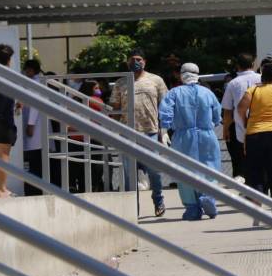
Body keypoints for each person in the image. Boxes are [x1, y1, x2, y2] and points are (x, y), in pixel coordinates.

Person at [159, 63, 222, 220]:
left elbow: (165, 112)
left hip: (183, 137)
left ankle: (192, 208)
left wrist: (164, 130)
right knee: (210, 168)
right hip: (207, 135)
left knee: (184, 171)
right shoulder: (207, 93)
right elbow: (217, 116)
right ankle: (208, 197)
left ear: (181, 75)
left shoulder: (174, 93)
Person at [110, 48, 168, 217]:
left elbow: (165, 107)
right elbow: (115, 108)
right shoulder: (121, 83)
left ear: (145, 61)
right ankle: (132, 210)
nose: (136, 62)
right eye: (133, 59)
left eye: (139, 59)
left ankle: (158, 200)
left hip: (150, 131)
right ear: (128, 62)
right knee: (130, 175)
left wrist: (163, 131)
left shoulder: (156, 80)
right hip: (128, 133)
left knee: (154, 172)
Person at [237, 63, 272, 202]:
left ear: (262, 79)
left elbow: (240, 107)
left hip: (255, 134)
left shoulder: (253, 90)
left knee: (256, 169)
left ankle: (259, 200)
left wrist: (245, 121)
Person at [221, 54, 261, 182]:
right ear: (253, 65)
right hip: (264, 128)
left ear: (237, 66)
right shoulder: (262, 79)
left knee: (245, 167)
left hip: (241, 132)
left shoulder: (233, 84)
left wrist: (226, 129)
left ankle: (250, 196)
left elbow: (228, 111)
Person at [0, 44, 17, 198]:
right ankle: (2, 189)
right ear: (8, 59)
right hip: (4, 120)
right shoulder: (9, 76)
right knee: (3, 154)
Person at [21, 60, 45, 196]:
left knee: (34, 162)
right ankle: (33, 189)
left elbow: (34, 106)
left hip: (33, 129)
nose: (25, 72)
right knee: (33, 162)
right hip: (32, 128)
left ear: (32, 70)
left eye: (27, 70)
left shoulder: (35, 83)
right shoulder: (32, 81)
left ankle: (34, 190)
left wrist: (30, 125)